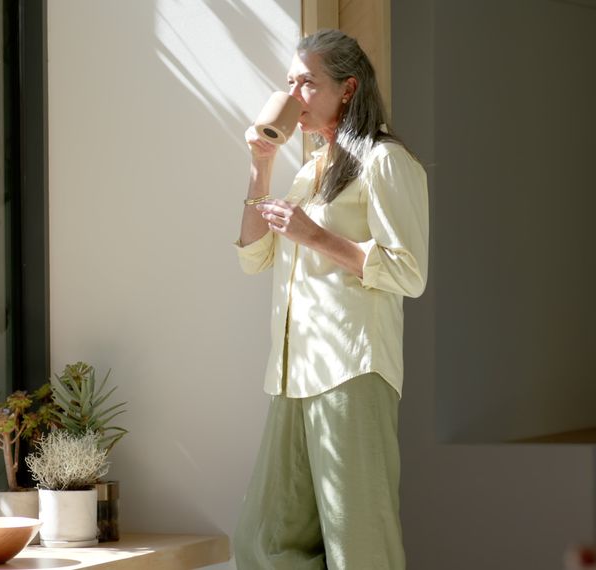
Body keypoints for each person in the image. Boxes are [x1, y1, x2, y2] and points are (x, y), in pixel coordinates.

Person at [232, 29, 429, 570]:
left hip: (352, 370)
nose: (295, 95)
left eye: (307, 83)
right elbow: (252, 256)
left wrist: (316, 236)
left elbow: (409, 272)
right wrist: (262, 162)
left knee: (359, 546)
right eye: (290, 82)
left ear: (347, 89)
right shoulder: (307, 171)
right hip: (293, 373)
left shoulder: (385, 162)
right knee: (261, 545)